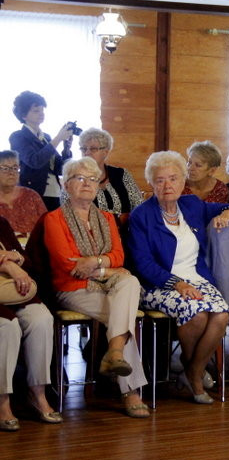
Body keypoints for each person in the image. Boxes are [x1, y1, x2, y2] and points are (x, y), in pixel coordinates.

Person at [128, 151, 229, 404]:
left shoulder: (193, 206)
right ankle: (195, 377)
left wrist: (226, 215)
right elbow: (143, 264)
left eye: (173, 178)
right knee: (198, 314)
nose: (167, 185)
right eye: (160, 180)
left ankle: (192, 369)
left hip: (198, 279)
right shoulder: (141, 216)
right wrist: (177, 284)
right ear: (151, 183)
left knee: (221, 315)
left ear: (183, 181)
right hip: (159, 284)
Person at [42, 157, 149, 418]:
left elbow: (119, 256)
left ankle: (113, 352)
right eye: (79, 178)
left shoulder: (106, 218)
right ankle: (130, 392)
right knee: (121, 318)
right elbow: (69, 265)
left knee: (130, 280)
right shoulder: (53, 219)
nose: (87, 184)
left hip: (107, 287)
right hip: (72, 288)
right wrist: (106, 267)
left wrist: (97, 264)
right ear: (65, 184)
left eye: (92, 179)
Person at [0, 215, 57, 431]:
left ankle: (38, 392)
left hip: (14, 292)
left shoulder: (2, 222)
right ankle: (2, 400)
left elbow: (27, 260)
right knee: (8, 326)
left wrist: (16, 258)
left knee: (42, 319)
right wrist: (7, 265)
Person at [9, 90, 76, 211]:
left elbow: (60, 169)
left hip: (55, 193)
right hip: (32, 193)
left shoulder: (47, 138)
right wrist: (58, 139)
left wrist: (66, 148)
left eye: (42, 110)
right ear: (23, 115)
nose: (41, 114)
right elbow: (35, 161)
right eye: (36, 111)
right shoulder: (18, 137)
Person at [64, 127, 143, 216]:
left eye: (93, 149)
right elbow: (67, 211)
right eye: (83, 149)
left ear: (106, 151)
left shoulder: (121, 174)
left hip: (125, 228)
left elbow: (139, 205)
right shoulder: (73, 176)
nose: (87, 153)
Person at [0, 150, 47, 236]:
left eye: (15, 168)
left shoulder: (31, 196)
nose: (11, 173)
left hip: (33, 247)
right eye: (5, 168)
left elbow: (48, 226)